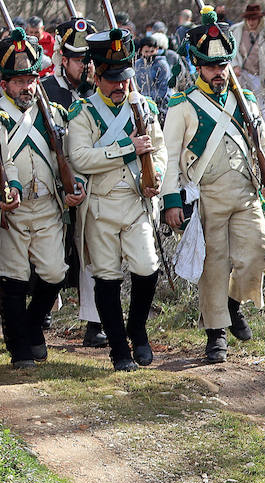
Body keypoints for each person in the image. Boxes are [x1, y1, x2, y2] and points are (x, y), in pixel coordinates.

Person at [161, 9, 265, 364]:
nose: (219, 72)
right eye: (212, 67)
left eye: (224, 65)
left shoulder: (243, 98)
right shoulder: (182, 105)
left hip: (246, 194)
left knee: (258, 252)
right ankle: (215, 334)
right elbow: (169, 159)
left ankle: (233, 304)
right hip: (208, 196)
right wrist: (171, 201)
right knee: (213, 265)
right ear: (198, 67)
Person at [65, 27, 166, 371]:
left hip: (136, 203)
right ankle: (119, 349)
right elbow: (80, 158)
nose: (119, 85)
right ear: (97, 75)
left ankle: (138, 331)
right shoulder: (82, 112)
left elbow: (160, 149)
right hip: (99, 207)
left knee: (147, 267)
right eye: (111, 79)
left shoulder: (145, 108)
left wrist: (158, 176)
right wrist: (127, 148)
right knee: (106, 277)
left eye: (124, 78)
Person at [0, 28, 86, 368]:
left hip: (48, 206)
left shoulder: (53, 113)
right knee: (15, 278)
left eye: (31, 79)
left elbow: (69, 158)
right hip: (13, 210)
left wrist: (73, 185)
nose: (27, 87)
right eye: (20, 81)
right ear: (5, 83)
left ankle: (32, 326)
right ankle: (20, 347)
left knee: (54, 273)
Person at [41, 17, 106, 349]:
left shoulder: (100, 92)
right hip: (53, 186)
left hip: (92, 183)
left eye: (89, 58)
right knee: (49, 250)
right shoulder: (45, 92)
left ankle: (95, 322)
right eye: (80, 59)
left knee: (93, 251)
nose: (86, 65)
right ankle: (41, 311)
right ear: (63, 59)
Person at [229, 3, 265, 110]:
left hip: (260, 77)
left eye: (254, 19)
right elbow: (231, 51)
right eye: (248, 19)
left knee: (260, 109)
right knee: (240, 106)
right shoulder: (236, 31)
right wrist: (235, 66)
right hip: (242, 75)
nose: (251, 22)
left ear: (259, 19)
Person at [134, 36, 171, 111]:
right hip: (142, 103)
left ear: (156, 50)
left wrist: (149, 100)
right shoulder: (137, 64)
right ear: (141, 51)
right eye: (146, 52)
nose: (149, 55)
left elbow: (163, 89)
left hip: (160, 105)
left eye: (152, 51)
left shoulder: (162, 65)